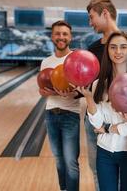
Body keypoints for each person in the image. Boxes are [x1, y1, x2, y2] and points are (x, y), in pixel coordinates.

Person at [84, 0, 127, 190]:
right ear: (107, 51)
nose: (118, 51)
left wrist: (110, 128)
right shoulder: (99, 84)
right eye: (112, 47)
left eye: (123, 47)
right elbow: (96, 121)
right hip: (104, 150)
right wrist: (88, 99)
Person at [39, 20, 80, 191]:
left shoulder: (76, 59)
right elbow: (42, 88)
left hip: (70, 113)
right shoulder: (45, 61)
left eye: (64, 34)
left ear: (70, 37)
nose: (61, 37)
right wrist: (44, 92)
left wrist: (71, 93)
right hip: (50, 113)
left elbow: (82, 88)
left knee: (70, 160)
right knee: (58, 158)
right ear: (52, 36)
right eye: (57, 33)